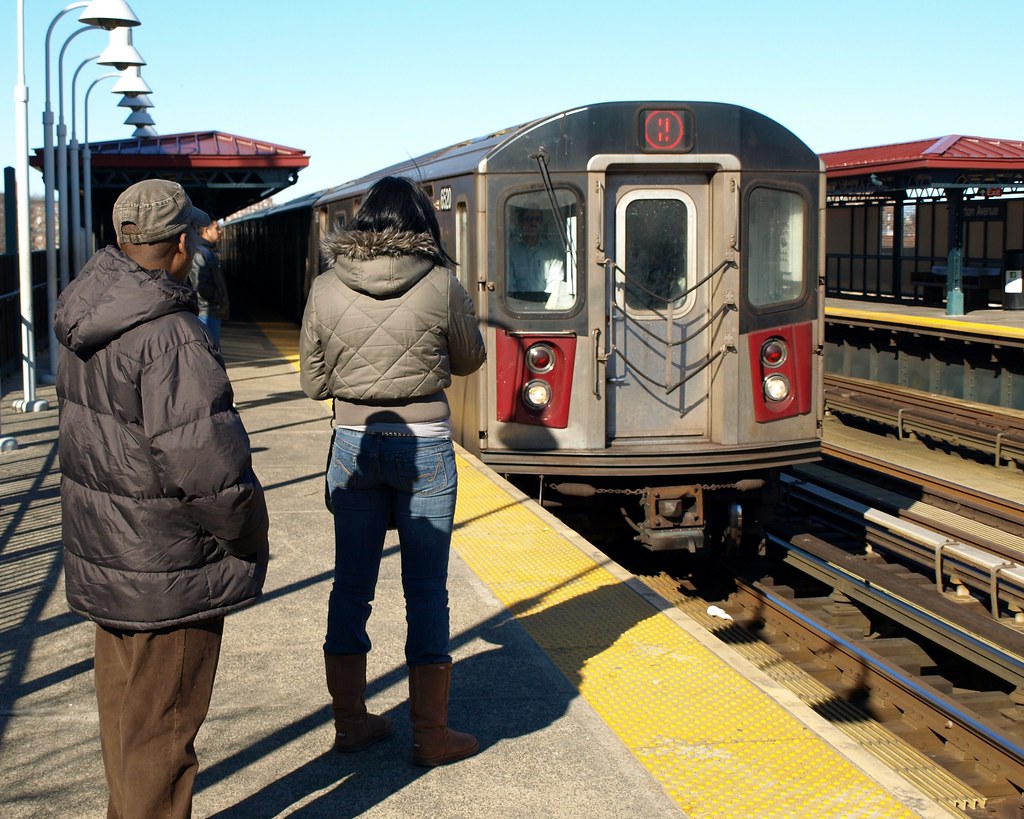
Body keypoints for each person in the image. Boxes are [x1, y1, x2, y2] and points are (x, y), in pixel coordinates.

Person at [54, 179, 270, 819]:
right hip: (170, 567)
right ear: (179, 244)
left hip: (110, 553)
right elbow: (210, 468)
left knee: (129, 727)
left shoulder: (85, 315)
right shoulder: (172, 336)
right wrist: (248, 536)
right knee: (163, 738)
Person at [299, 175, 486, 767]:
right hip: (425, 445)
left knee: (351, 585)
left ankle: (350, 723)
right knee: (426, 588)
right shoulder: (441, 283)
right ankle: (431, 735)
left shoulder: (325, 287)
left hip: (354, 444)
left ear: (363, 223)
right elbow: (469, 360)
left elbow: (313, 384)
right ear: (421, 224)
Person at [507, 207, 565, 301]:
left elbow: (555, 284)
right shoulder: (511, 251)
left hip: (545, 303)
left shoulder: (552, 252)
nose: (533, 223)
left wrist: (546, 303)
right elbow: (509, 284)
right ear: (521, 223)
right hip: (515, 304)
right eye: (529, 219)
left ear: (541, 223)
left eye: (537, 219)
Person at [189, 217, 230, 347]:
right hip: (205, 311)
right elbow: (200, 285)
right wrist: (218, 298)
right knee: (210, 349)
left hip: (209, 310)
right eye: (217, 228)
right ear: (206, 230)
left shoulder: (206, 251)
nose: (220, 232)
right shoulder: (200, 253)